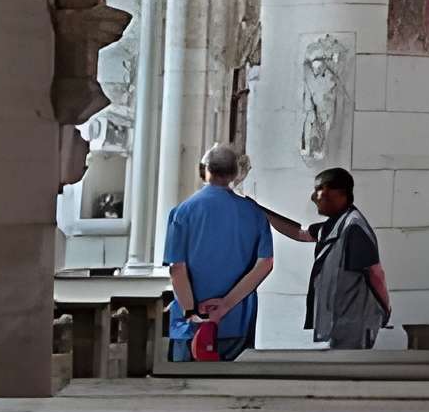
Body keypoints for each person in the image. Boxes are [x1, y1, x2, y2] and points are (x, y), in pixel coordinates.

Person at [162, 142, 273, 361]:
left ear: (205, 170)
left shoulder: (183, 212)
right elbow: (266, 263)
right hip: (236, 319)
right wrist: (225, 306)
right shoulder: (254, 213)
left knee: (186, 387)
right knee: (231, 388)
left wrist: (191, 312)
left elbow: (177, 268)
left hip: (191, 325)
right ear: (234, 173)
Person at [266, 165, 390, 350]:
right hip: (342, 319)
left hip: (355, 320)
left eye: (320, 191)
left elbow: (375, 273)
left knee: (349, 370)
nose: (314, 197)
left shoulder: (353, 228)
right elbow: (299, 233)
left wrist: (385, 309)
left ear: (339, 194)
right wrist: (262, 213)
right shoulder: (334, 225)